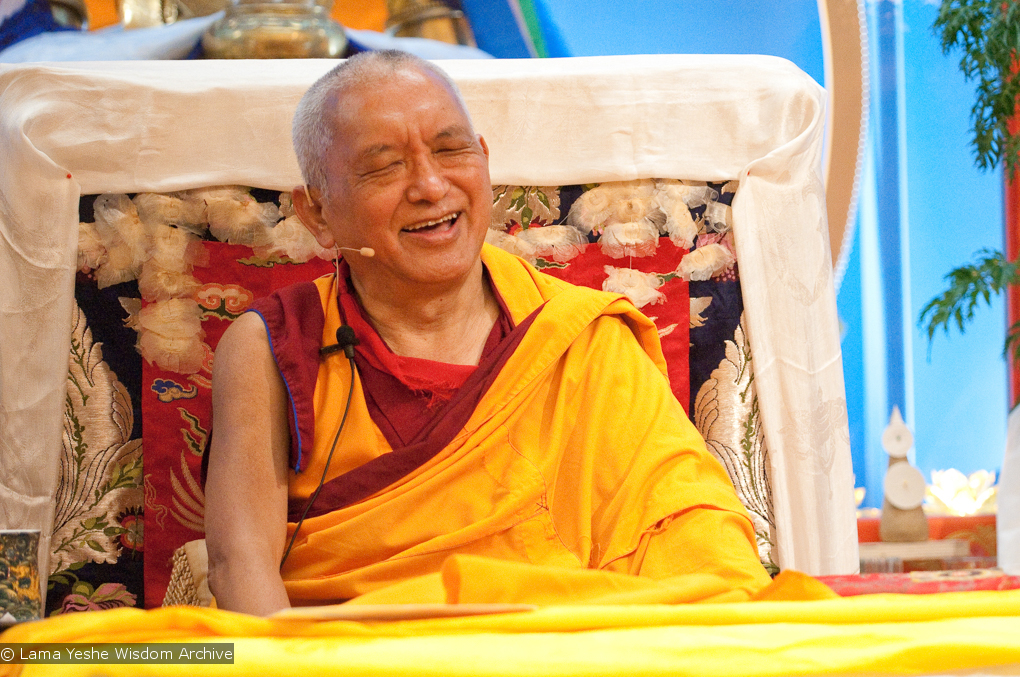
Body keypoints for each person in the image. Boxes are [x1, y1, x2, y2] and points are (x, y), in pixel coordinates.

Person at [204, 50, 771, 616]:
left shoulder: (580, 339)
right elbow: (240, 566)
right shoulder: (272, 348)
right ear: (318, 212)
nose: (430, 185)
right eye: (384, 167)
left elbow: (693, 538)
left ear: (483, 161)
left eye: (450, 150)